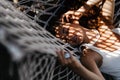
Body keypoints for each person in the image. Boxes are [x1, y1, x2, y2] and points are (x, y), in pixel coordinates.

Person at [55, 0, 120, 80]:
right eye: (65, 40)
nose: (68, 38)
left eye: (66, 31)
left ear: (73, 22)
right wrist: (76, 67)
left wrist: (80, 11)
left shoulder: (105, 26)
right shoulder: (88, 55)